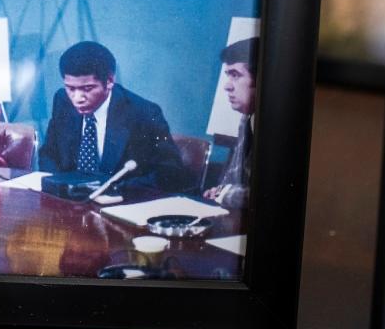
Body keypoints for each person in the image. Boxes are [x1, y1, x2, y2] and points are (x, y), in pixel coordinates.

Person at [38, 41, 191, 192]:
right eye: (70, 88)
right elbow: (48, 154)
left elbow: (170, 172)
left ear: (110, 81)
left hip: (118, 203)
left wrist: (114, 189)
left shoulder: (144, 113)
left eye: (87, 88)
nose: (77, 98)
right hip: (69, 203)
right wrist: (62, 187)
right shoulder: (62, 100)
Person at [204, 37, 259, 210]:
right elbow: (232, 180)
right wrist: (220, 191)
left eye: (235, 75)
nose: (227, 86)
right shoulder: (247, 117)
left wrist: (226, 193)